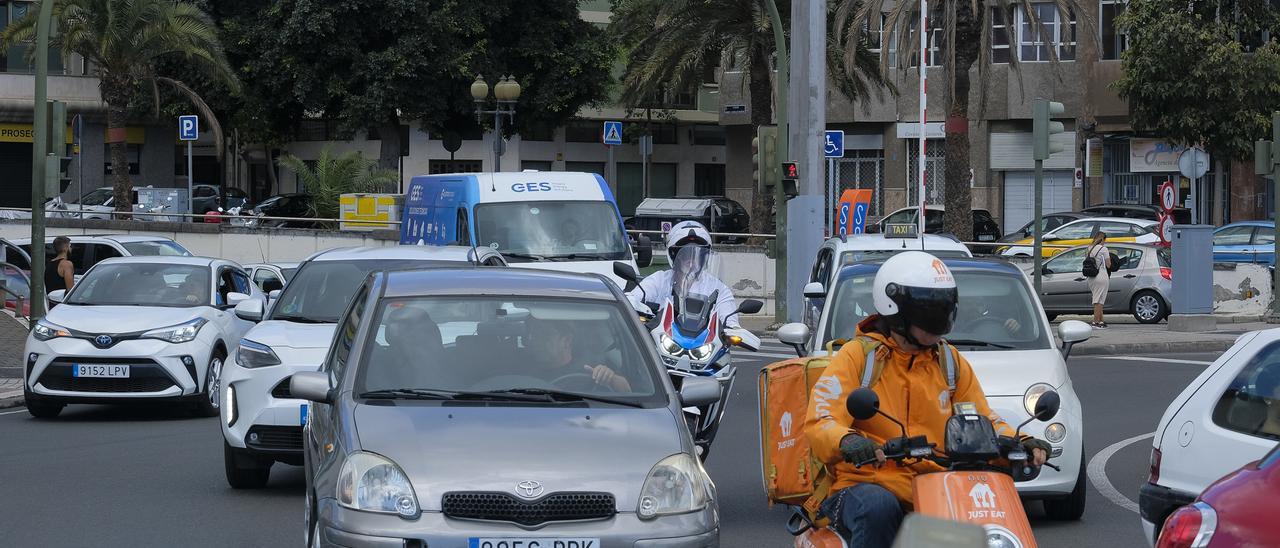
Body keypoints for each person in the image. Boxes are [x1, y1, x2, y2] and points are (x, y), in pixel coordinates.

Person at [803, 251, 1052, 547]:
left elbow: (983, 420)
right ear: (895, 311)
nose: (938, 322)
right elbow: (822, 420)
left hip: (936, 483)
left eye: (943, 310)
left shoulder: (949, 361)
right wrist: (848, 441)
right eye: (929, 313)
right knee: (877, 508)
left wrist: (1020, 441)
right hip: (866, 481)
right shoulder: (858, 357)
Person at [626, 220, 740, 327]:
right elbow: (631, 299)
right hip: (662, 340)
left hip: (705, 343)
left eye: (697, 256)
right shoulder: (659, 280)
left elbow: (730, 321)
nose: (690, 260)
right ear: (674, 257)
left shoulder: (718, 289)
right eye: (685, 255)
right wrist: (638, 307)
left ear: (704, 258)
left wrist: (732, 329)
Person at [526, 319, 631, 391]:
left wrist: (610, 378)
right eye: (533, 335)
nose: (534, 341)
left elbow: (628, 391)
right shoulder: (522, 366)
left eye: (543, 335)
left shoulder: (593, 367)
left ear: (567, 340)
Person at [1086, 232, 1112, 329]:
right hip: (1101, 275)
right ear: (1103, 239)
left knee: (1098, 298)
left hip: (1091, 277)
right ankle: (1095, 322)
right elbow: (1108, 264)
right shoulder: (1103, 249)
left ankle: (1101, 321)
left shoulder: (1089, 248)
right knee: (1099, 301)